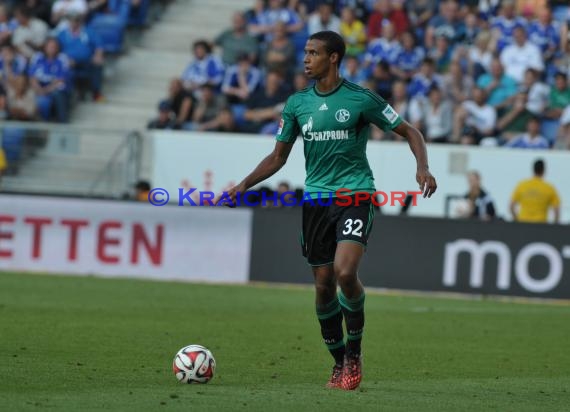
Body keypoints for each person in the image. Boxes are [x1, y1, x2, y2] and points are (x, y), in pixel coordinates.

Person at [214, 31, 437, 391]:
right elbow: (277, 157)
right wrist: (242, 186)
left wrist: (422, 167)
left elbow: (411, 131)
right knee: (322, 285)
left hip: (355, 196)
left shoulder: (361, 99)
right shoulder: (297, 104)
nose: (306, 59)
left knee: (345, 273)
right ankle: (337, 362)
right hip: (316, 201)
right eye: (305, 53)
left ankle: (354, 353)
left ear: (333, 58)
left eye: (313, 53)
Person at [510, 159, 560, 223]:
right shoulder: (549, 188)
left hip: (523, 223)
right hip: (541, 224)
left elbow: (511, 207)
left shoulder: (522, 185)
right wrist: (554, 226)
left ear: (533, 169)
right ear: (543, 170)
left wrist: (517, 220)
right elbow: (556, 211)